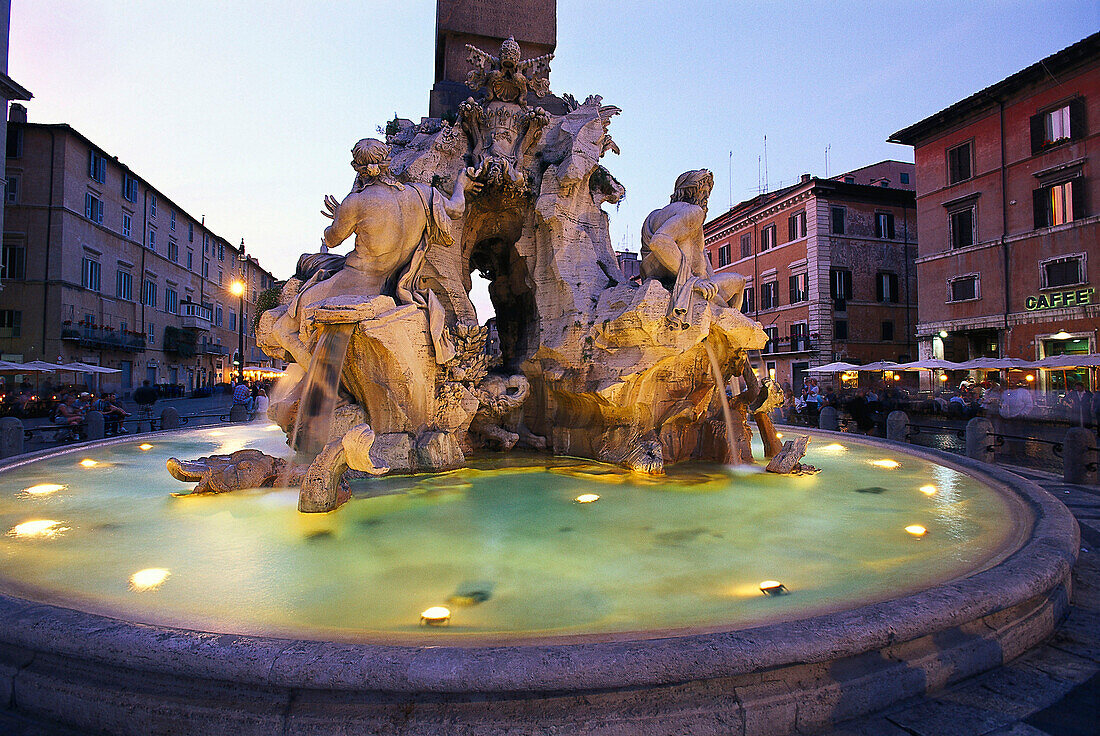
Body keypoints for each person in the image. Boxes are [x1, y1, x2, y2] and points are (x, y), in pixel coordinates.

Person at [640, 169, 746, 329]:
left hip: (657, 278)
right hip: (686, 281)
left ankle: (726, 325)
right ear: (697, 193)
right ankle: (728, 330)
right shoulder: (693, 212)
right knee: (740, 281)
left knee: (721, 288)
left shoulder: (655, 215)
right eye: (705, 193)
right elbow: (659, 242)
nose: (706, 199)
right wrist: (693, 281)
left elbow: (703, 260)